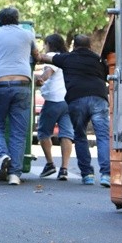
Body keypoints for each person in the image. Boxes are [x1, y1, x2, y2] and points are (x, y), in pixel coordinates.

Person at [0, 6, 41, 186]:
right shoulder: (28, 34)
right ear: (17, 19)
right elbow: (37, 56)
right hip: (22, 84)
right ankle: (14, 175)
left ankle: (2, 155)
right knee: (18, 132)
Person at [38, 34, 111, 187]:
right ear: (90, 46)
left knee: (80, 135)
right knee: (103, 136)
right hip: (99, 98)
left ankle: (87, 175)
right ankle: (106, 174)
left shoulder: (67, 58)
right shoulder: (98, 59)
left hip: (77, 99)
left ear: (74, 46)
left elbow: (45, 58)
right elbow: (107, 74)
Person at [34, 33, 74, 181]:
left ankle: (50, 164)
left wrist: (41, 79)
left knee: (43, 132)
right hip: (68, 100)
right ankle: (64, 169)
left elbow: (49, 71)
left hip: (54, 100)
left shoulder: (52, 55)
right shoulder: (67, 57)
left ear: (49, 44)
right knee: (66, 134)